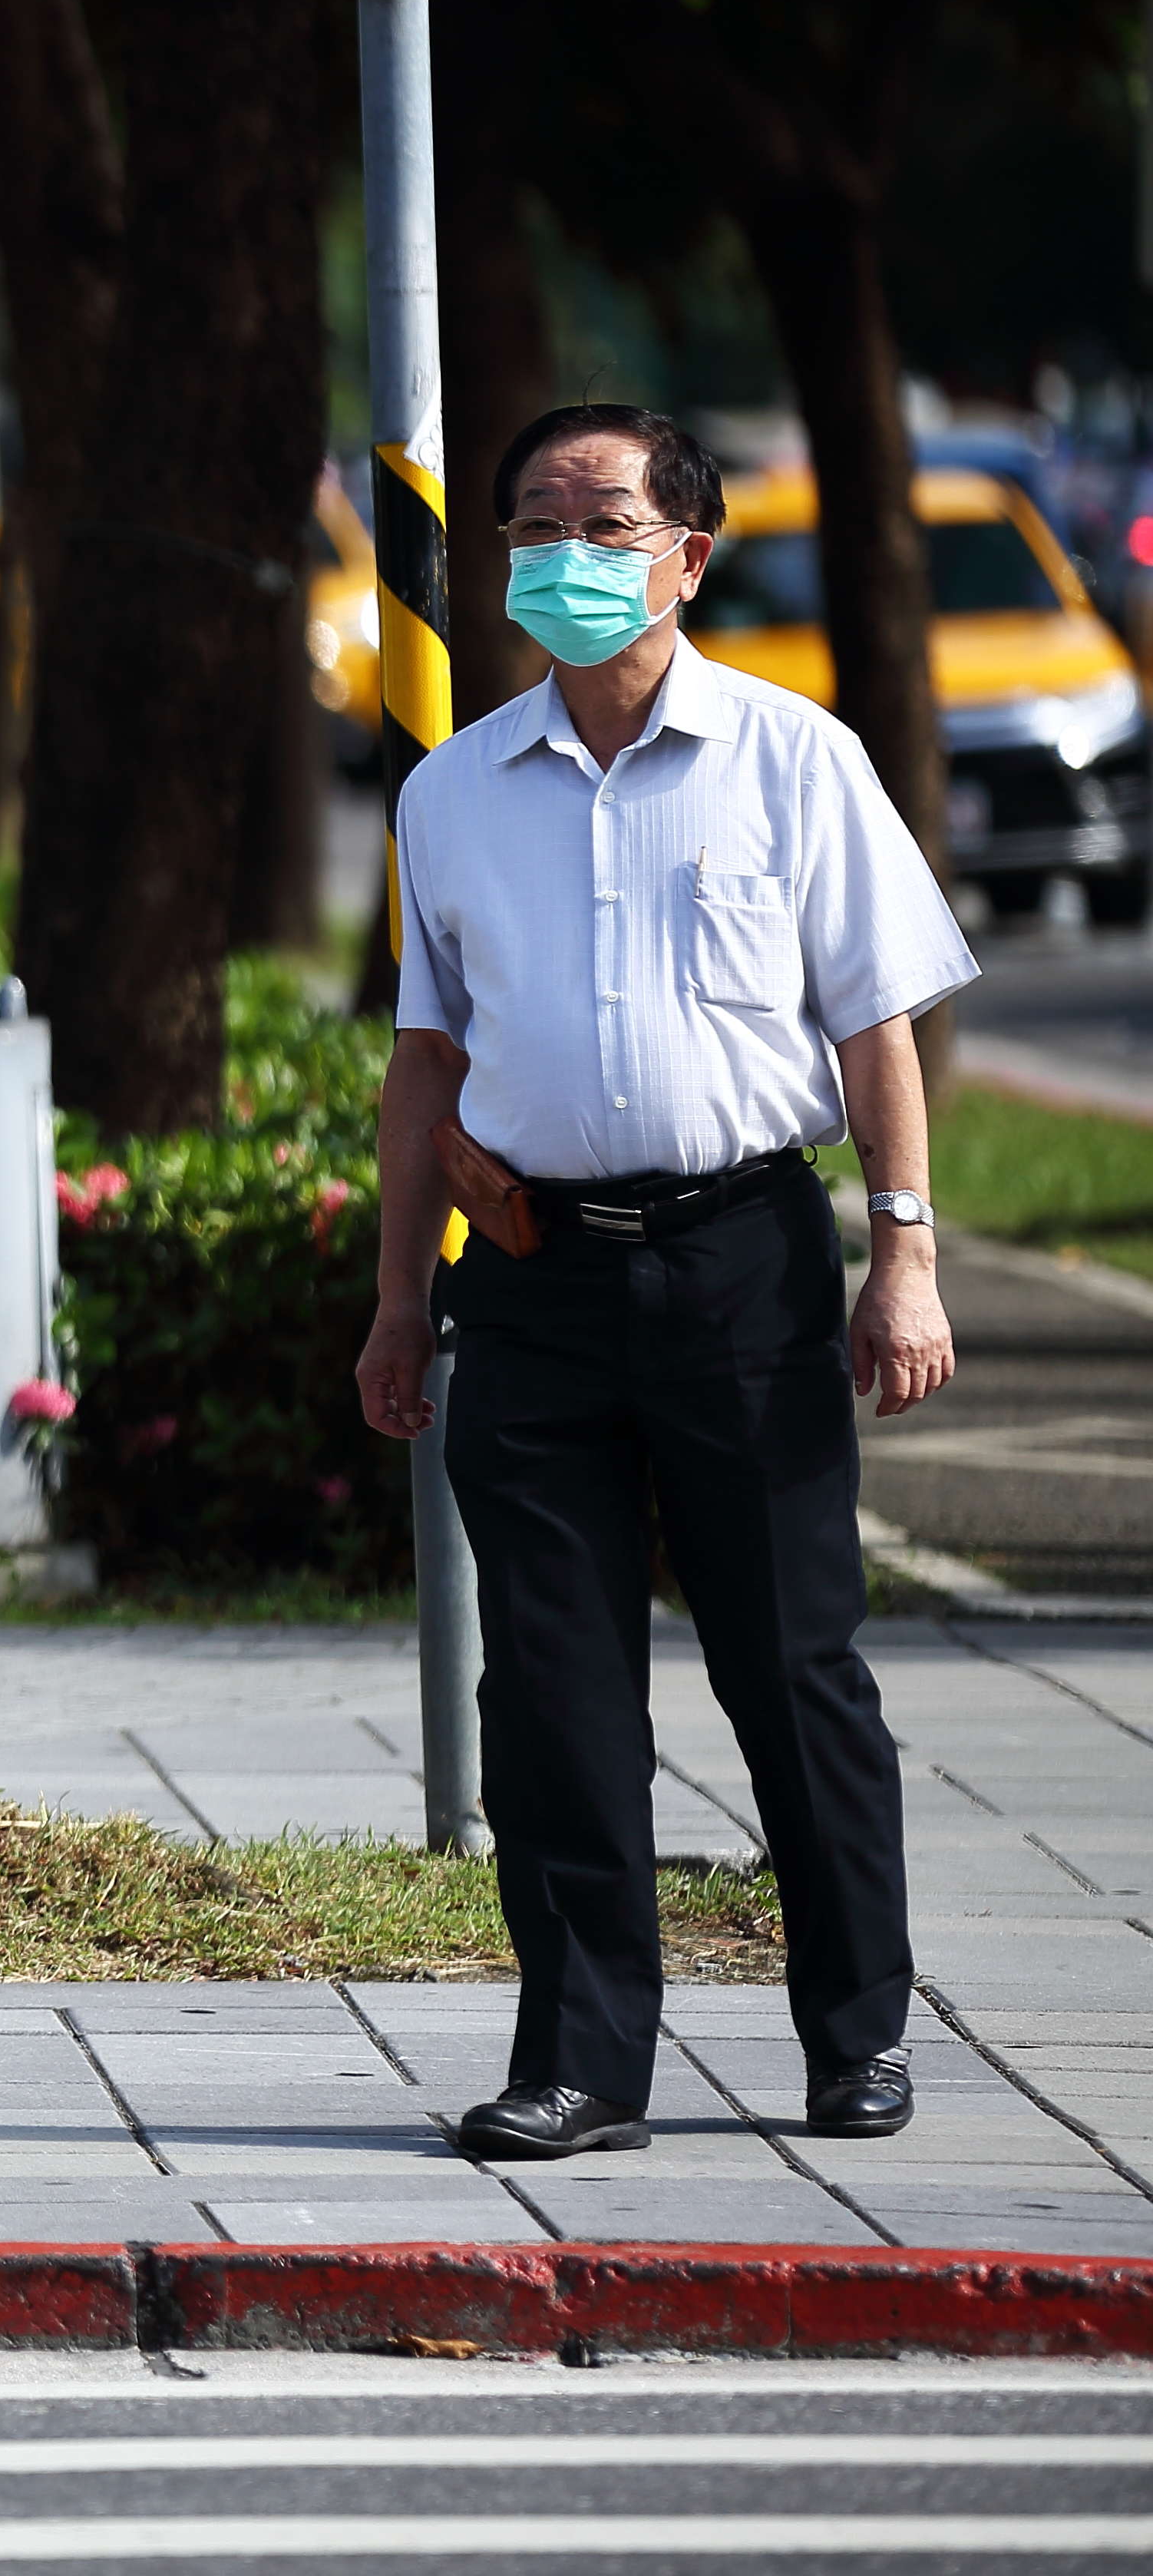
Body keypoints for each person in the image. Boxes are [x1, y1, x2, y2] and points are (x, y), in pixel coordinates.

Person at [355, 402, 972, 2164]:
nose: (560, 553)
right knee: (547, 1694)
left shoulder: (795, 759)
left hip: (741, 1272)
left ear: (689, 554)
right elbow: (424, 1063)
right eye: (531, 523)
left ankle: (856, 2034)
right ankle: (583, 2062)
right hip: (533, 1287)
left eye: (601, 521)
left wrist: (904, 1254)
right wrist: (404, 1299)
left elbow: (877, 1022)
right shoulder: (451, 791)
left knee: (791, 1670)